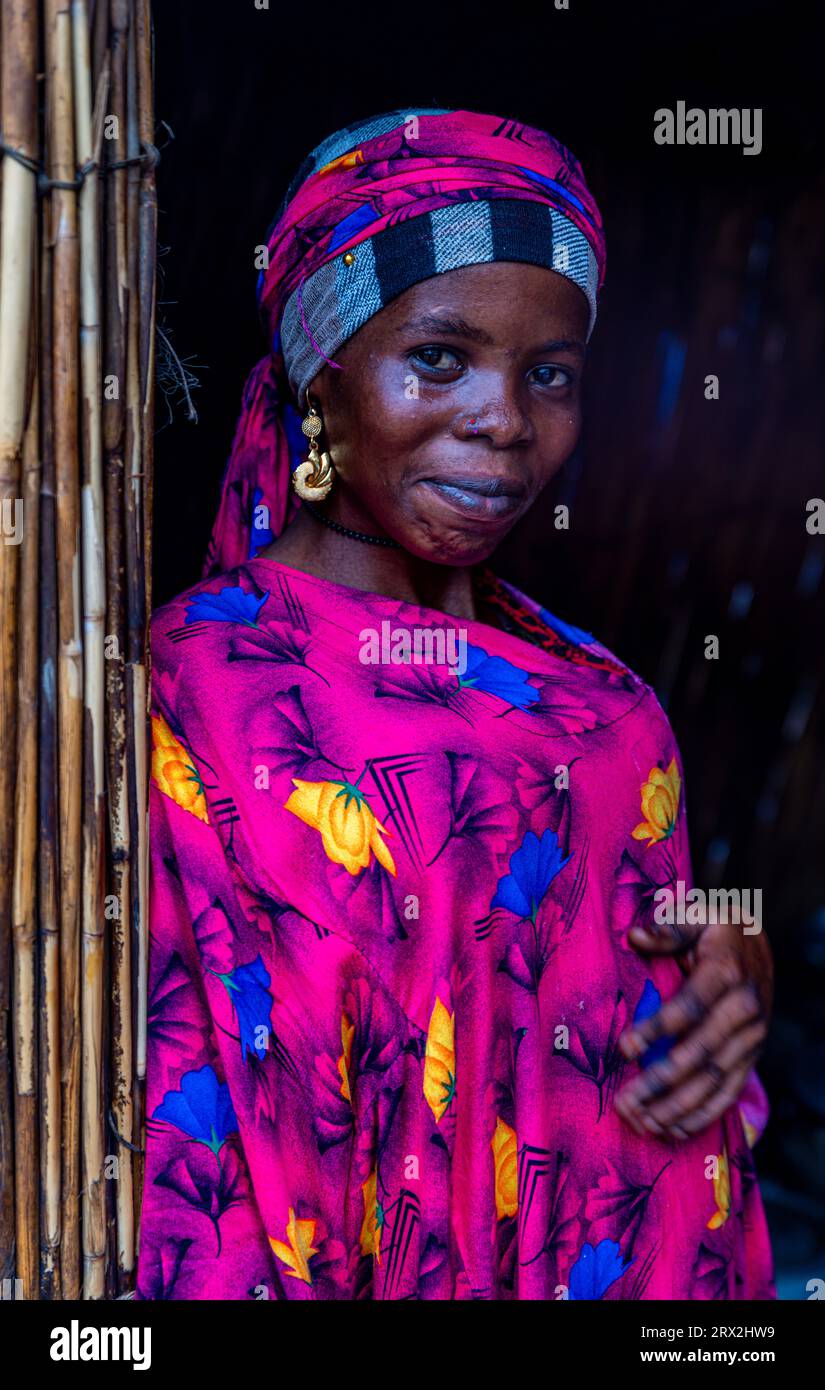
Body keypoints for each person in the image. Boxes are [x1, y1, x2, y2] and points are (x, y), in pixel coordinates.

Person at [136, 108, 776, 1300]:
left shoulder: (606, 706)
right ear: (321, 377)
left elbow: (684, 916)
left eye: (551, 375)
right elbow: (194, 1106)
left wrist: (746, 948)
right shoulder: (206, 692)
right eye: (440, 357)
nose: (504, 420)